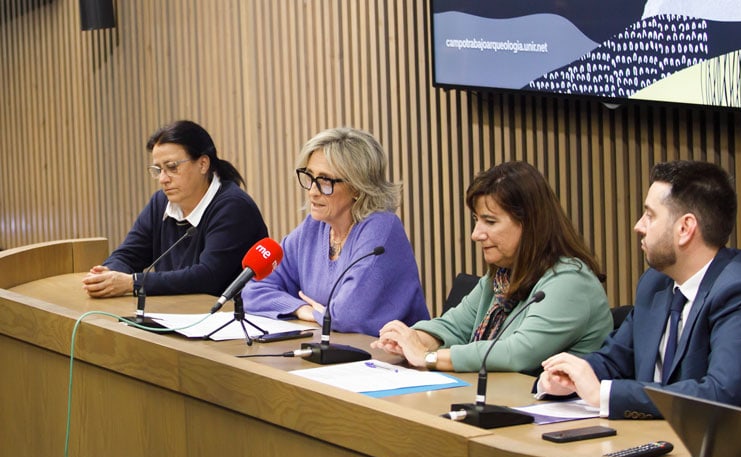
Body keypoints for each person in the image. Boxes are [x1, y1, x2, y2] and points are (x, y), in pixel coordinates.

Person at [537, 161, 741, 437]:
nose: (638, 226)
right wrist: (569, 377)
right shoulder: (656, 283)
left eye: (649, 215)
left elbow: (718, 395)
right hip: (668, 444)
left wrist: (604, 394)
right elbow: (615, 360)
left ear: (685, 228)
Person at [372, 161, 612, 373]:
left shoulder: (570, 281)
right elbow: (454, 326)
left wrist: (428, 357)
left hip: (557, 415)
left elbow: (517, 353)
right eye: (477, 221)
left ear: (529, 224)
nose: (476, 234)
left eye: (490, 221)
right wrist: (413, 340)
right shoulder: (502, 276)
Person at [242, 127, 429, 335]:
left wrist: (324, 314)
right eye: (309, 177)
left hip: (389, 360)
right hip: (331, 351)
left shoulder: (382, 230)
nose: (312, 192)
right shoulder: (314, 228)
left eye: (325, 181)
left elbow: (347, 315)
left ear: (357, 187)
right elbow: (253, 290)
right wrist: (304, 309)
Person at [82, 120, 268, 298]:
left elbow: (208, 277)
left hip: (229, 323)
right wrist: (108, 274)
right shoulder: (160, 202)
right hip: (176, 315)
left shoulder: (233, 207)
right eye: (158, 169)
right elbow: (128, 254)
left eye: (172, 167)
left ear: (203, 164)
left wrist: (133, 283)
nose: (163, 179)